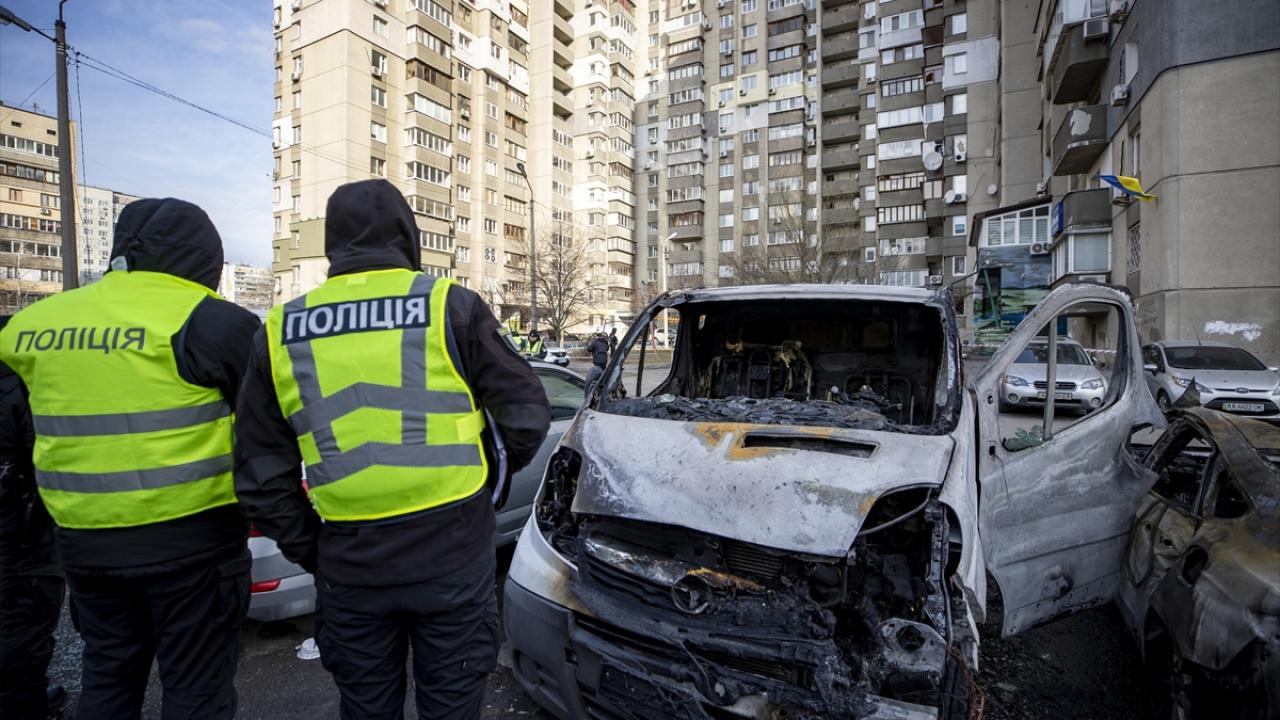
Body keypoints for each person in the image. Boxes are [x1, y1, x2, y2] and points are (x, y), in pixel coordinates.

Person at [234, 179, 551, 720]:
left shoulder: (282, 328)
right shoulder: (449, 305)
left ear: (333, 243)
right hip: (450, 552)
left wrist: (314, 548)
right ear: (408, 236)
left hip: (350, 563)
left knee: (365, 708)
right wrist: (482, 497)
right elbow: (526, 416)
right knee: (451, 706)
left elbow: (260, 470)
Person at [0, 198, 261, 720]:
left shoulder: (31, 327)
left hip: (84, 547)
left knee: (108, 680)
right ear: (206, 259)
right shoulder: (215, 323)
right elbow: (265, 432)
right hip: (193, 547)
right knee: (196, 692)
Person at [0, 317, 65, 720]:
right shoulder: (18, 384)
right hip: (19, 535)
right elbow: (48, 459)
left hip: (18, 527)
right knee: (20, 628)